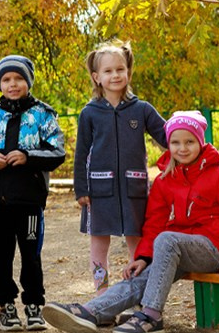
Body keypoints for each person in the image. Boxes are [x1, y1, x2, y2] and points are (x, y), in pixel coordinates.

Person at [46, 111, 219, 333]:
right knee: (143, 274)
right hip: (179, 248)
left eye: (189, 142)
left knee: (167, 238)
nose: (182, 148)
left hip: (214, 249)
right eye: (175, 142)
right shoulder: (166, 179)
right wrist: (143, 258)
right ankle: (91, 312)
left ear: (200, 142)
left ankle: (151, 316)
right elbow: (154, 223)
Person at [0, 53, 66, 331]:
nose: (13, 84)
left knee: (31, 254)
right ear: (0, 83)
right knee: (1, 253)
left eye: (19, 78)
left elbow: (58, 152)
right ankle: (5, 305)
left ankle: (34, 304)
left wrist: (28, 156)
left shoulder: (43, 114)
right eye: (7, 79)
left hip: (30, 200)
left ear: (28, 81)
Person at [72, 40, 168, 290]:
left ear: (128, 72)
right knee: (98, 243)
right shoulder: (89, 113)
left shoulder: (143, 110)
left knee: (137, 242)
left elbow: (169, 137)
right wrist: (81, 189)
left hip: (134, 188)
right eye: (108, 71)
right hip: (98, 191)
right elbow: (81, 154)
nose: (115, 75)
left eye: (120, 69)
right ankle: (102, 294)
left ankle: (135, 293)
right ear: (96, 77)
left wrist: (189, 141)